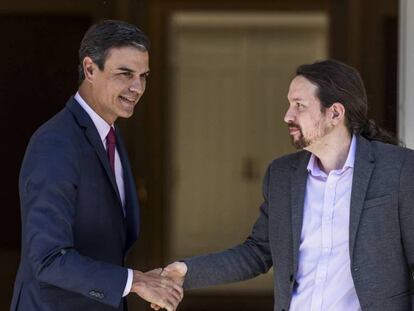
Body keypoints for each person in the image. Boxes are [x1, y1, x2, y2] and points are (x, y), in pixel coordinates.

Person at [160, 59, 414, 311]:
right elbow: (258, 252)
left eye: (299, 105)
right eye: (289, 104)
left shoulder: (399, 169)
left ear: (335, 113)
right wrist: (187, 271)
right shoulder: (282, 175)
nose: (287, 115)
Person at [10, 20, 183, 311]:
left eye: (143, 76)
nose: (137, 87)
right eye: (125, 74)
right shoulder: (56, 143)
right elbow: (48, 258)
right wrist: (135, 282)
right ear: (90, 69)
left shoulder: (109, 135)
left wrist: (138, 280)